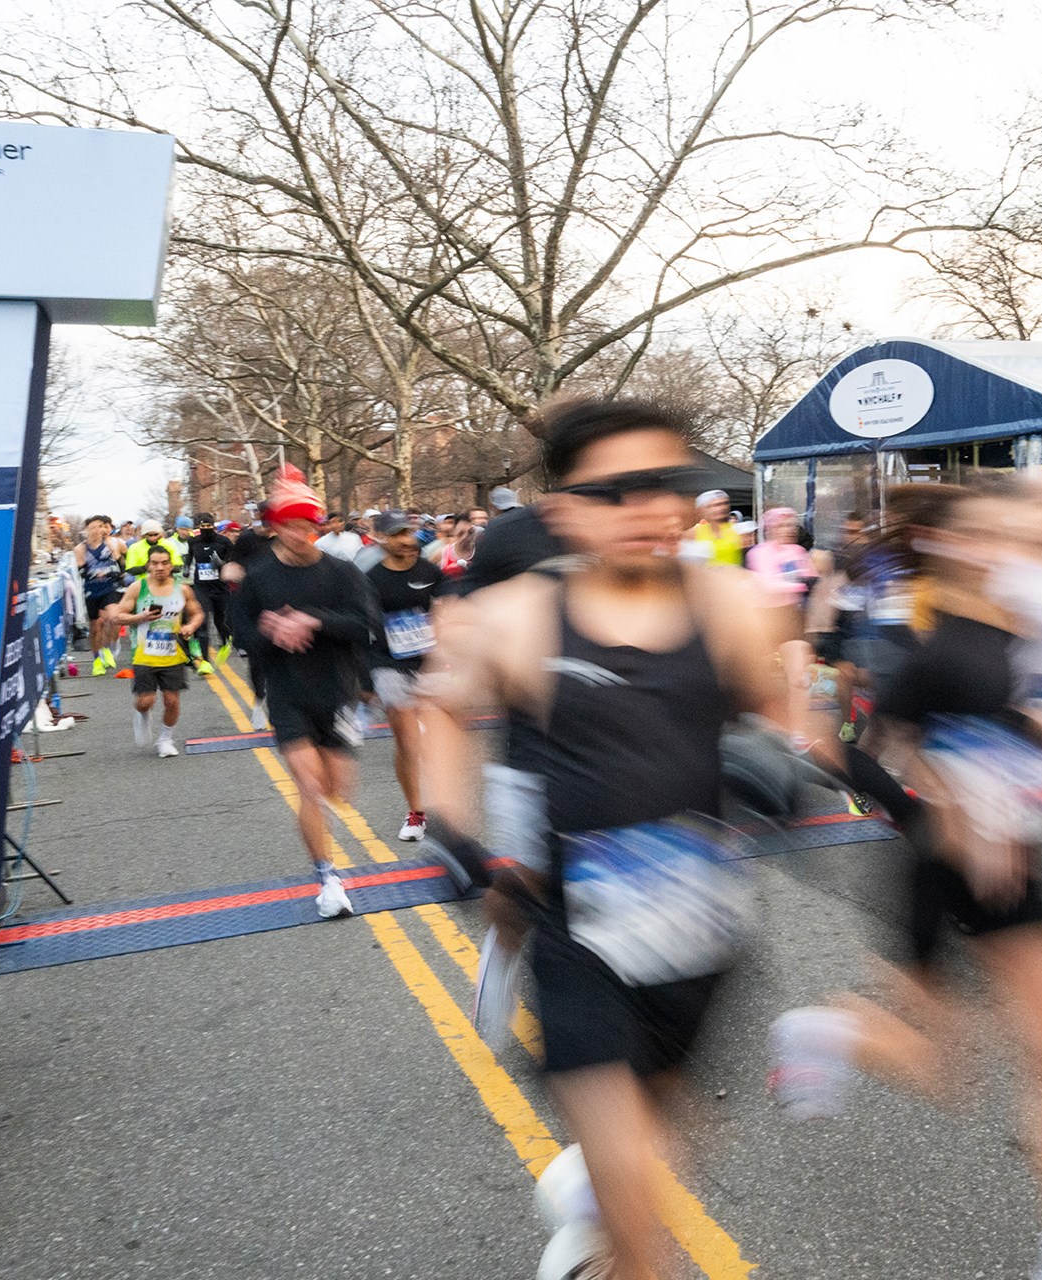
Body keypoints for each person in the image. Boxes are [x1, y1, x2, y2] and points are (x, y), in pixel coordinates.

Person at [422, 397, 790, 1280]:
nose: (657, 507)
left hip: (700, 925)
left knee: (664, 1138)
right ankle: (614, 1220)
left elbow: (786, 721)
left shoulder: (733, 602)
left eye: (671, 483)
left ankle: (596, 1204)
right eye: (622, 490)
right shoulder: (517, 614)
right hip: (572, 926)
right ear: (567, 509)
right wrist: (458, 840)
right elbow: (441, 712)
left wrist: (787, 771)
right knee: (636, 1187)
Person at [770, 482, 1042, 1280]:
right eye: (999, 535)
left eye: (1021, 536)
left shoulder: (1016, 637)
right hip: (941, 874)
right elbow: (851, 753)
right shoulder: (938, 650)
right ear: (960, 548)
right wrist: (936, 808)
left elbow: (1015, 731)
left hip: (1017, 869)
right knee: (952, 1074)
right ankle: (831, 1030)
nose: (1018, 550)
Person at [231, 467, 382, 918]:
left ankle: (329, 868)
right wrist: (270, 629)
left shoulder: (342, 574)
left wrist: (313, 619)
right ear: (275, 526)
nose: (301, 534)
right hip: (288, 693)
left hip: (338, 692)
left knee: (338, 790)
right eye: (291, 525)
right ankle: (327, 878)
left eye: (308, 525)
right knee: (310, 787)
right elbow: (238, 634)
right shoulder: (258, 578)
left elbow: (368, 626)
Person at [364, 511, 439, 841]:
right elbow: (359, 630)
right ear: (381, 539)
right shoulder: (370, 580)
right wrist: (364, 681)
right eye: (397, 534)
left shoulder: (429, 571)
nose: (406, 539)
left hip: (430, 664)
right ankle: (416, 814)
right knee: (408, 742)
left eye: (408, 532)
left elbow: (450, 606)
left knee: (438, 743)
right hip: (388, 664)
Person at [110, 545, 203, 758]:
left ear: (171, 566)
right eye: (154, 563)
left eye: (164, 563)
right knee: (146, 701)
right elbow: (117, 616)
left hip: (173, 654)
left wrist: (190, 627)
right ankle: (142, 715)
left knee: (172, 701)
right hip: (144, 655)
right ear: (148, 566)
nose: (159, 567)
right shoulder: (138, 588)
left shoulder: (183, 589)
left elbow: (197, 613)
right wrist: (138, 618)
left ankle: (165, 739)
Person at [224, 504, 281, 729]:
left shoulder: (284, 540)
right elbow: (233, 565)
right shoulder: (247, 539)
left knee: (281, 659)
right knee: (257, 659)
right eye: (262, 518)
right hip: (252, 604)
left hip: (279, 603)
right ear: (257, 516)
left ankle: (278, 707)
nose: (267, 525)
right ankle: (258, 703)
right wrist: (231, 572)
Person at [74, 514, 128, 674]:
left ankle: (109, 648)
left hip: (110, 587)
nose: (99, 530)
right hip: (92, 589)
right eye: (95, 527)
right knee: (96, 626)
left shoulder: (114, 543)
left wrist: (120, 570)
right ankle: (97, 659)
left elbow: (125, 560)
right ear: (87, 529)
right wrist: (93, 574)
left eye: (102, 526)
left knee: (113, 617)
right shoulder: (81, 548)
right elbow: (81, 571)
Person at [744, 506, 825, 612]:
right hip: (766, 612)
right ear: (771, 529)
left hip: (791, 610)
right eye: (782, 526)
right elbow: (770, 585)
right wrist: (802, 585)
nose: (789, 530)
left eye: (792, 525)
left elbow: (812, 577)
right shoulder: (760, 553)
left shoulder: (797, 551)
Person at [183, 512, 232, 672]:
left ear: (214, 527)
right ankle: (205, 662)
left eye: (208, 526)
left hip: (220, 588)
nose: (205, 529)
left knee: (221, 621)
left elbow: (234, 561)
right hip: (201, 588)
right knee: (202, 622)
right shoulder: (193, 541)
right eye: (202, 527)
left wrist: (222, 564)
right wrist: (185, 567)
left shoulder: (223, 541)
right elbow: (189, 557)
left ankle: (226, 641)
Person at [685, 489, 743, 566]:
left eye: (725, 503)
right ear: (702, 509)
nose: (722, 508)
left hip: (735, 576)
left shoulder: (738, 529)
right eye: (715, 505)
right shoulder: (693, 533)